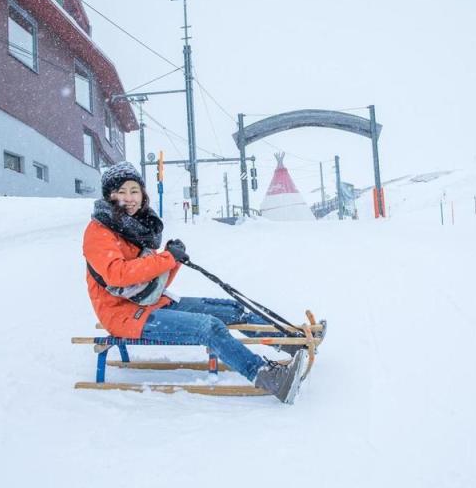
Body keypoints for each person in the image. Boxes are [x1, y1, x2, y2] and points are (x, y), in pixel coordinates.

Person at [82, 162, 307, 403]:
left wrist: (173, 261)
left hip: (153, 302)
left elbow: (151, 281)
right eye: (121, 191)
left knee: (231, 309)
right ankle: (269, 378)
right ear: (109, 195)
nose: (129, 198)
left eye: (134, 190)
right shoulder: (99, 231)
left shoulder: (135, 228)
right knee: (208, 327)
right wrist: (167, 258)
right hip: (123, 315)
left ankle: (292, 345)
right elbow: (118, 274)